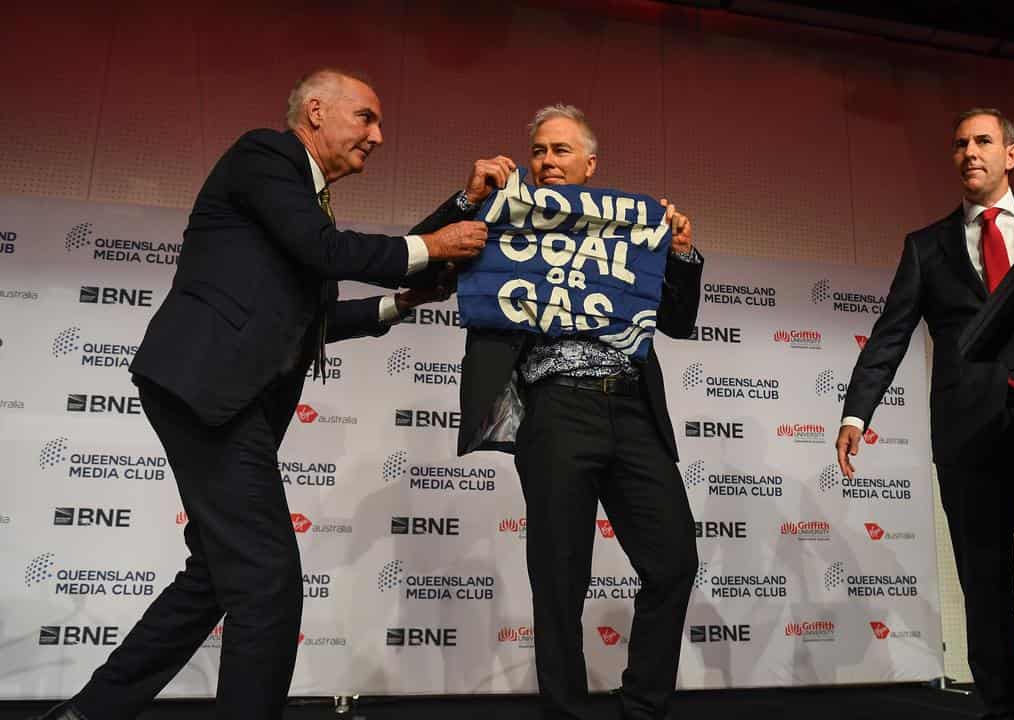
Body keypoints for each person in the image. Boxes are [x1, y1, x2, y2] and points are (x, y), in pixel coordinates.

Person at [38, 68, 496, 720]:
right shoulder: (267, 155)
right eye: (366, 117)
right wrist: (433, 244)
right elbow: (330, 250)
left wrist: (411, 289)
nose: (379, 135)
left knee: (214, 579)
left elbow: (318, 316)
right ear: (315, 112)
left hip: (218, 397)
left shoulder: (305, 207)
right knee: (267, 582)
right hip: (205, 390)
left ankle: (89, 714)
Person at [410, 103, 701, 720]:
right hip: (555, 411)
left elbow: (677, 320)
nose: (547, 161)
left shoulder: (629, 231)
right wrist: (466, 199)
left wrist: (678, 252)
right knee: (560, 581)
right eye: (539, 150)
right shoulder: (503, 220)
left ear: (590, 165)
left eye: (561, 150)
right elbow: (427, 255)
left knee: (674, 562)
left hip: (632, 410)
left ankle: (643, 708)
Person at [835, 109, 1014, 720]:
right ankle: (1004, 708)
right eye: (959, 143)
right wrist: (855, 415)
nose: (969, 151)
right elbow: (889, 336)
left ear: (1012, 154)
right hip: (969, 432)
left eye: (983, 141)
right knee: (984, 578)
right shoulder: (927, 246)